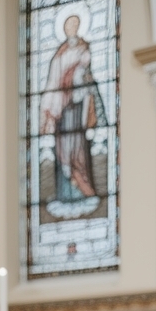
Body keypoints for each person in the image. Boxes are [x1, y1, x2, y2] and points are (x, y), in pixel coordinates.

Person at [39, 14, 107, 218]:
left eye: (74, 25)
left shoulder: (83, 48)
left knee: (78, 150)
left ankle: (83, 191)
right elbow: (53, 81)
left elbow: (85, 75)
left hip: (77, 107)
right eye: (68, 25)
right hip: (62, 109)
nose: (71, 28)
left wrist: (77, 82)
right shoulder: (59, 55)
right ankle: (64, 193)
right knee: (62, 152)